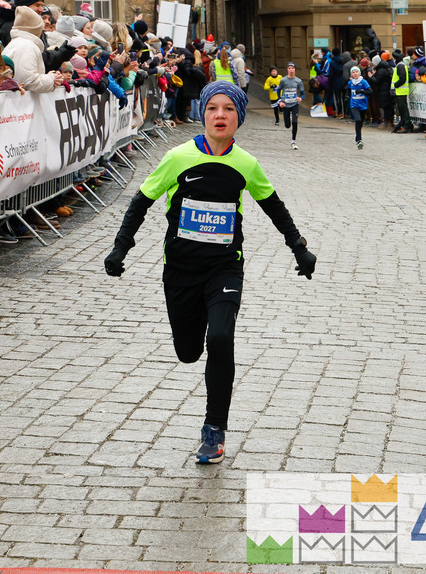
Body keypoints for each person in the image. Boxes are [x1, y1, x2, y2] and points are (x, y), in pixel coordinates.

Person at [103, 81, 317, 463]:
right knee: (188, 353)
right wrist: (122, 247)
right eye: (213, 108)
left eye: (229, 109)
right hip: (181, 271)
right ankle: (193, 339)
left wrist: (299, 249)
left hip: (224, 268)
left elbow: (274, 207)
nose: (221, 115)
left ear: (239, 117)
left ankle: (214, 430)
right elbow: (141, 202)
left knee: (220, 338)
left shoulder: (246, 164)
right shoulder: (178, 157)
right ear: (203, 113)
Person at [277, 62, 306, 149]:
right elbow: (278, 90)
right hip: (286, 104)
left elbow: (303, 93)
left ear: (295, 70)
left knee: (294, 122)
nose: (291, 70)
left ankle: (293, 141)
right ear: (287, 70)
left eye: (293, 68)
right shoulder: (283, 80)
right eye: (289, 68)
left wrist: (300, 98)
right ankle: (287, 118)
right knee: (287, 125)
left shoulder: (298, 81)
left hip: (294, 104)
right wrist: (280, 101)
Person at [347, 65, 372, 149]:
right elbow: (348, 90)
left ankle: (357, 135)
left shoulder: (363, 82)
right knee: (357, 120)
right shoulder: (350, 82)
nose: (355, 74)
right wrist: (346, 97)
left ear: (359, 73)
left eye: (356, 72)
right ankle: (359, 140)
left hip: (363, 105)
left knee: (360, 122)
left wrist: (362, 91)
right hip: (354, 104)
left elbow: (370, 92)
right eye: (353, 72)